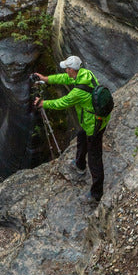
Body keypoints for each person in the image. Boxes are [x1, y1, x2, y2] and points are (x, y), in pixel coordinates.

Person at [32, 55, 109, 203]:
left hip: (94, 124)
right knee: (81, 136)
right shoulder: (85, 74)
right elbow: (64, 79)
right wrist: (46, 79)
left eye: (67, 68)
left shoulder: (78, 92)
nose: (66, 71)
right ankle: (79, 165)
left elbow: (63, 102)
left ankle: (96, 194)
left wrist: (43, 103)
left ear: (72, 70)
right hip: (94, 119)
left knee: (94, 158)